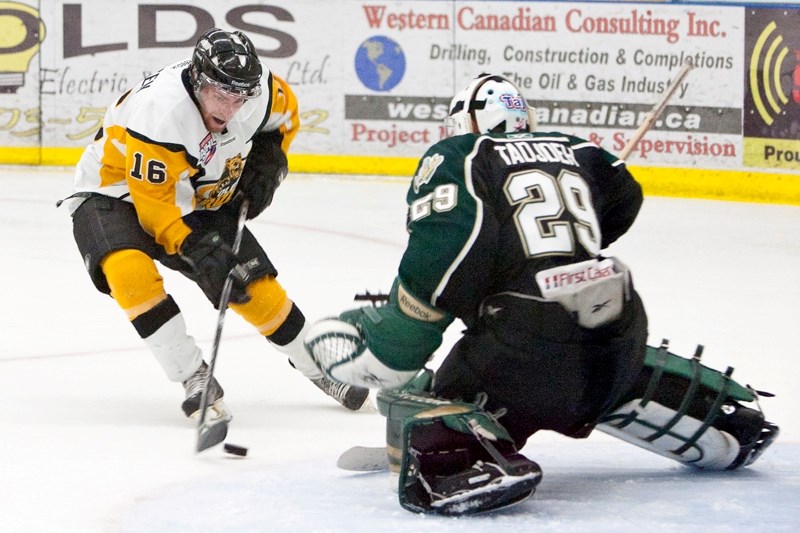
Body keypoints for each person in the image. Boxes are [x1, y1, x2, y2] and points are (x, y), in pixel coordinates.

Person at [304, 73, 779, 515]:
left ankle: (461, 456)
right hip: (620, 331)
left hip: (524, 352)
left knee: (443, 393)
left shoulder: (463, 155)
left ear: (467, 123)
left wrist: (399, 343)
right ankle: (716, 414)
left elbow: (448, 248)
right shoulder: (577, 149)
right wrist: (553, 255)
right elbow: (624, 194)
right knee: (601, 364)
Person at [58, 28, 369, 422]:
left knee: (252, 286)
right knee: (128, 272)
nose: (231, 107)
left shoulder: (259, 91)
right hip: (115, 193)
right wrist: (194, 248)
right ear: (197, 78)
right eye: (221, 95)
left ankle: (314, 363)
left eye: (239, 96)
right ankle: (193, 375)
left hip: (196, 192)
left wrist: (272, 158)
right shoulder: (162, 112)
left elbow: (286, 116)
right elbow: (155, 208)